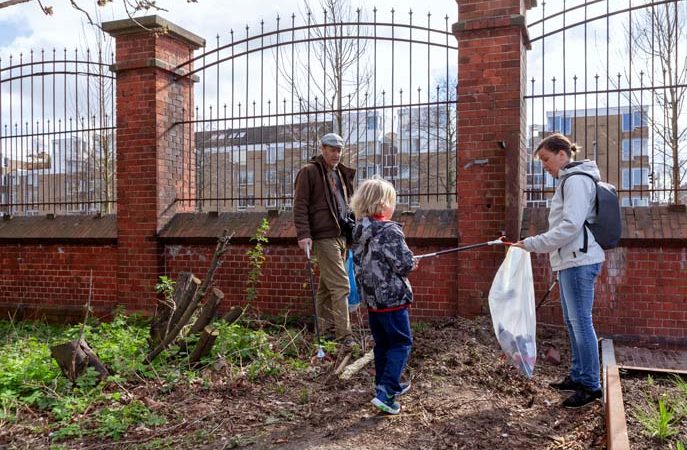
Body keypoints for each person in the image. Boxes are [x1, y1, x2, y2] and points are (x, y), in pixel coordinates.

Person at [512, 133, 605, 408]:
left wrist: (532, 244)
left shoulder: (576, 181)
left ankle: (591, 386)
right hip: (570, 261)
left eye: (546, 159)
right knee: (572, 322)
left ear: (562, 155)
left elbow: (570, 227)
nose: (544, 165)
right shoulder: (570, 181)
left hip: (579, 261)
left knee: (581, 323)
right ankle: (578, 376)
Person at [349, 176, 417, 415]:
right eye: (392, 201)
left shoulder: (359, 231)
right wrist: (412, 261)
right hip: (392, 300)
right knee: (400, 343)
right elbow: (404, 265)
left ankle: (383, 383)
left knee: (383, 343)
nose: (393, 206)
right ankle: (387, 393)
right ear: (382, 204)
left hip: (373, 301)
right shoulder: (389, 231)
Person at [293, 132, 356, 346]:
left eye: (339, 150)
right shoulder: (309, 172)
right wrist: (304, 234)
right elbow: (300, 206)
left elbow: (347, 205)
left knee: (326, 287)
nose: (336, 154)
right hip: (323, 236)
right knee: (340, 285)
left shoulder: (341, 174)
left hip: (341, 236)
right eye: (332, 150)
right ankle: (344, 336)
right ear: (322, 149)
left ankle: (323, 330)